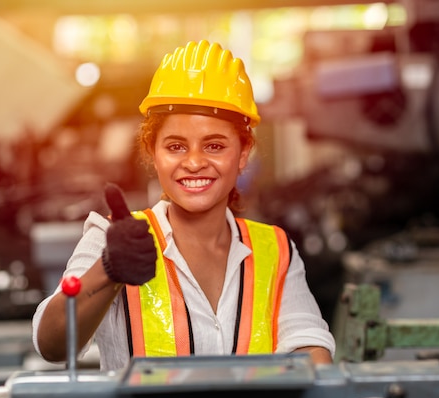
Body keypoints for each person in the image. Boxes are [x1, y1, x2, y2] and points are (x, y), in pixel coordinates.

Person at [32, 40, 335, 371]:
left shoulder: (275, 249)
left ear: (243, 153)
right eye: (176, 146)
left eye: (214, 146)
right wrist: (107, 271)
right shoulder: (114, 239)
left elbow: (309, 346)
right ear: (152, 153)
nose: (194, 163)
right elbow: (52, 345)